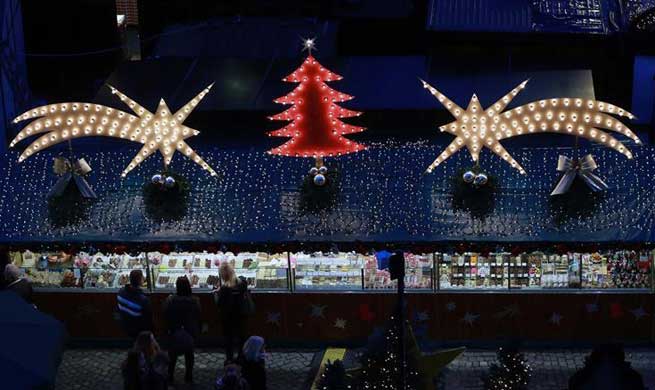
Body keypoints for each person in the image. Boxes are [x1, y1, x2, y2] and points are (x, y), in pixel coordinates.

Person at [163, 276, 200, 384]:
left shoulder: (171, 300)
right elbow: (198, 314)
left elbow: (165, 312)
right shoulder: (194, 300)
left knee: (172, 355)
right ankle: (188, 376)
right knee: (189, 355)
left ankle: (170, 376)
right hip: (190, 332)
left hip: (174, 331)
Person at [213, 262, 248, 361]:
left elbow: (219, 303)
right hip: (241, 314)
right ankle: (241, 357)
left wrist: (216, 293)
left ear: (223, 275)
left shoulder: (224, 289)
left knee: (229, 340)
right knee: (241, 337)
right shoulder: (242, 283)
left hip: (228, 317)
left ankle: (230, 360)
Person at [117, 270, 153, 339]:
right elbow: (148, 319)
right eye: (142, 278)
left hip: (124, 323)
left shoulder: (120, 292)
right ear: (141, 281)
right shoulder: (143, 299)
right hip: (138, 327)